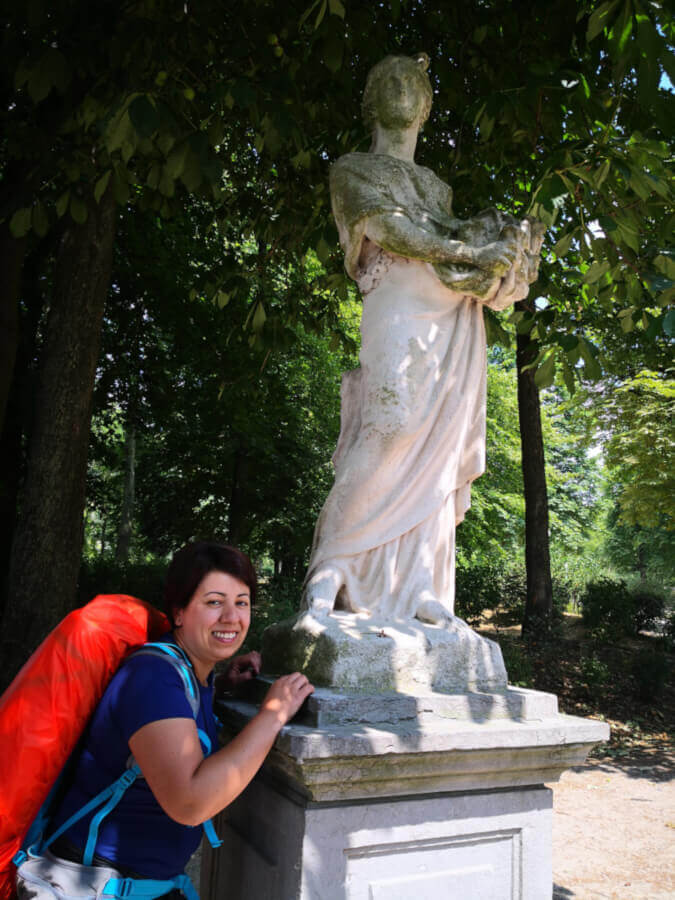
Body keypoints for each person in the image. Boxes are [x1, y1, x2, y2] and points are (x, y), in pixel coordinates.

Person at [302, 54, 543, 625]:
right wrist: (470, 251)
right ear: (368, 100)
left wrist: (505, 267)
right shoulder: (353, 169)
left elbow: (451, 253)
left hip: (449, 313)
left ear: (429, 105)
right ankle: (330, 567)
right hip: (396, 303)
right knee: (389, 425)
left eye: (412, 81)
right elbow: (392, 230)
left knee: (438, 444)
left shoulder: (436, 187)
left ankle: (416, 586)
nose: (400, 87)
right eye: (386, 79)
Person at [16, 541, 313, 899]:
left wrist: (220, 687)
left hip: (142, 884)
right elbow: (190, 802)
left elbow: (170, 724)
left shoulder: (193, 676)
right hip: (98, 887)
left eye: (242, 602)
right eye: (214, 602)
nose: (231, 617)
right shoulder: (152, 675)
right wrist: (273, 713)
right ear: (179, 612)